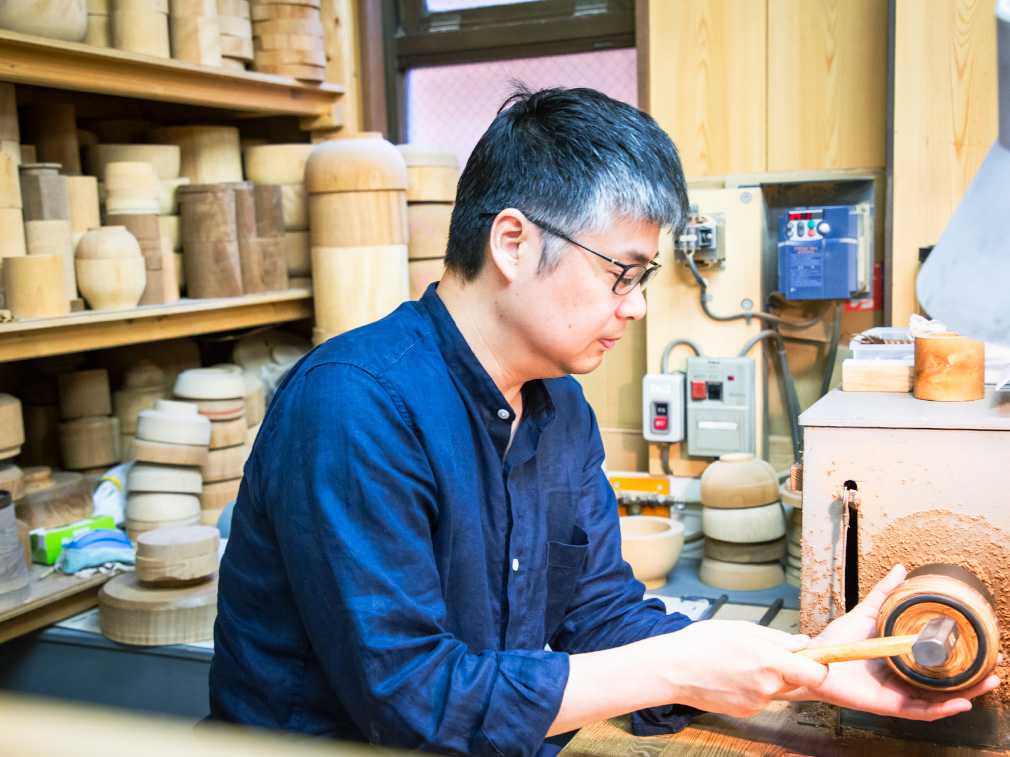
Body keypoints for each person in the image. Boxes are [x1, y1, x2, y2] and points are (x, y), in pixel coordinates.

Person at [208, 87, 999, 755]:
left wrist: (815, 667)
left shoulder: (558, 406)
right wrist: (682, 666)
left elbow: (600, 614)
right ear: (513, 242)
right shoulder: (355, 404)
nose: (639, 304)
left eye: (645, 274)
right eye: (622, 271)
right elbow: (410, 696)